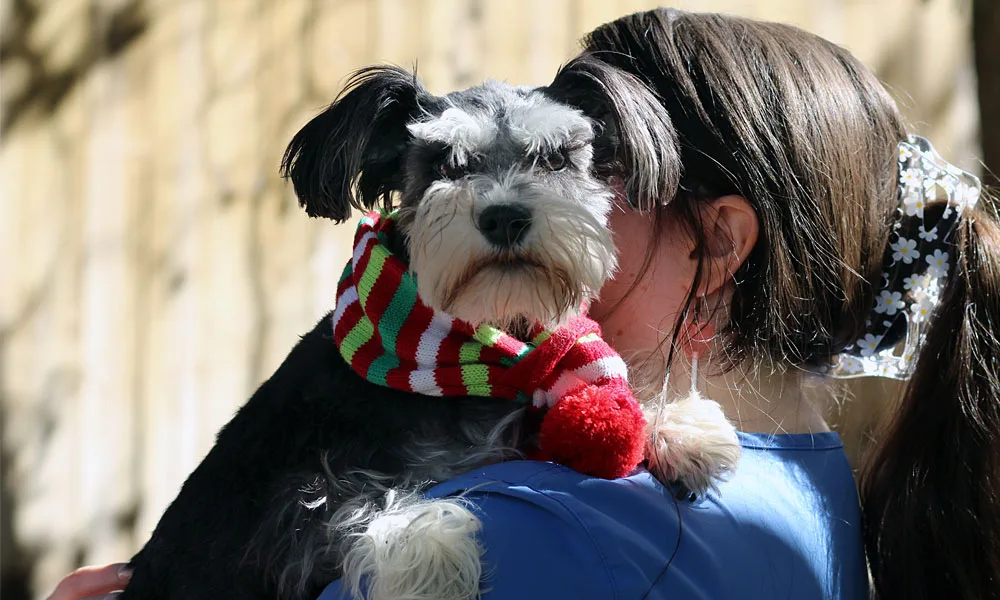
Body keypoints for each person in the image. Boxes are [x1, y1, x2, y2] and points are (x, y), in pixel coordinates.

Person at [50, 8, 999, 600]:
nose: (518, 205)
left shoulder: (530, 545)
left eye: (589, 161)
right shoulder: (814, 484)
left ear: (719, 242)